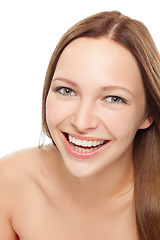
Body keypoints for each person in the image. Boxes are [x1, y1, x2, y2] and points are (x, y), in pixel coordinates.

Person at [0, 11, 160, 240]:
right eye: (66, 91)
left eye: (114, 99)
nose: (81, 122)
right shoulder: (9, 182)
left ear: (148, 114)